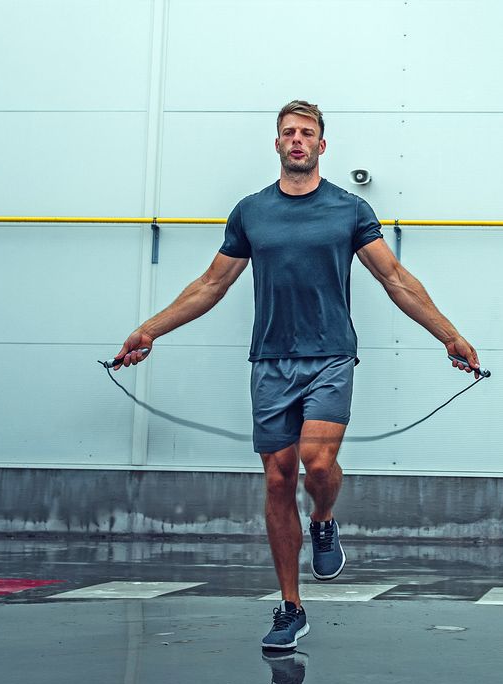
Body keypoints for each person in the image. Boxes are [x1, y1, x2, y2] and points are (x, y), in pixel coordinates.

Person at [111, 100, 481, 650]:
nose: (298, 140)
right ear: (278, 144)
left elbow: (395, 279)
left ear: (322, 146)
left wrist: (449, 334)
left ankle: (325, 517)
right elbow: (211, 285)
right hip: (270, 362)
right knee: (279, 478)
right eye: (289, 132)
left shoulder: (348, 209)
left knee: (317, 461)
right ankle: (290, 606)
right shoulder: (251, 212)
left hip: (331, 355)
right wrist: (150, 329)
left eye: (307, 132)